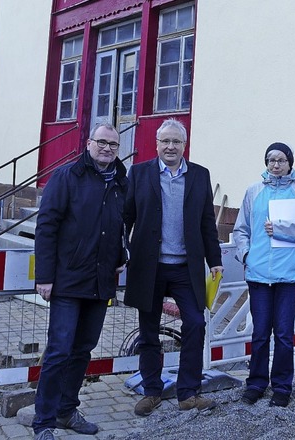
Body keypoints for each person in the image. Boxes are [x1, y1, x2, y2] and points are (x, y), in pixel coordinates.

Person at [32, 122, 128, 440]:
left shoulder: (120, 181)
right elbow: (46, 228)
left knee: (84, 349)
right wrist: (44, 276)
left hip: (100, 283)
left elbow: (119, 227)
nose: (107, 149)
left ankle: (66, 410)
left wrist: (120, 258)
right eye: (102, 142)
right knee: (59, 350)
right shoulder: (67, 177)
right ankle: (43, 421)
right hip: (67, 281)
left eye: (113, 145)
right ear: (89, 144)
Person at [123, 118, 223, 417]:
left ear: (184, 145)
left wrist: (215, 259)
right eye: (165, 141)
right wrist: (122, 252)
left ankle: (187, 392)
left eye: (176, 141)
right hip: (149, 266)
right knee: (149, 330)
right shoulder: (139, 173)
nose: (170, 146)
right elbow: (126, 217)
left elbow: (207, 221)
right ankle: (152, 390)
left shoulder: (199, 175)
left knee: (195, 323)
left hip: (184, 268)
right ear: (156, 145)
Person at [233, 142, 295, 407]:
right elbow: (241, 230)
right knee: (260, 332)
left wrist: (281, 228)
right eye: (271, 160)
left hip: (290, 275)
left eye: (281, 160)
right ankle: (256, 383)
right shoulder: (254, 191)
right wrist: (247, 255)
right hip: (259, 274)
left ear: (290, 162)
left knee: (284, 333)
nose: (275, 165)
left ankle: (282, 387)